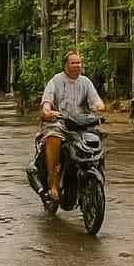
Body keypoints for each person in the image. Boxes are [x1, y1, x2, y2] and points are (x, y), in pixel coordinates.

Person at [38, 51, 105, 202]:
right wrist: (48, 111)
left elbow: (97, 101)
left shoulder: (85, 82)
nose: (77, 65)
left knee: (98, 139)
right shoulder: (56, 80)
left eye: (79, 63)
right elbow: (46, 102)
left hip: (81, 124)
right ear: (65, 65)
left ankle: (95, 172)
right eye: (73, 63)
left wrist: (98, 107)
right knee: (53, 137)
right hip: (60, 122)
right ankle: (53, 183)